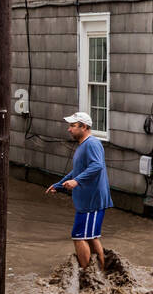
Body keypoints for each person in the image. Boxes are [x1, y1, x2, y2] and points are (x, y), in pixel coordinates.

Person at [45, 111, 113, 269]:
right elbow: (77, 170)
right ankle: (101, 272)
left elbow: (97, 166)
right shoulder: (83, 145)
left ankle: (87, 274)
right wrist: (59, 185)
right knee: (91, 237)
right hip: (87, 201)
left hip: (92, 200)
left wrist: (76, 181)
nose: (69, 129)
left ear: (84, 127)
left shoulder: (92, 144)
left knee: (78, 236)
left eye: (72, 126)